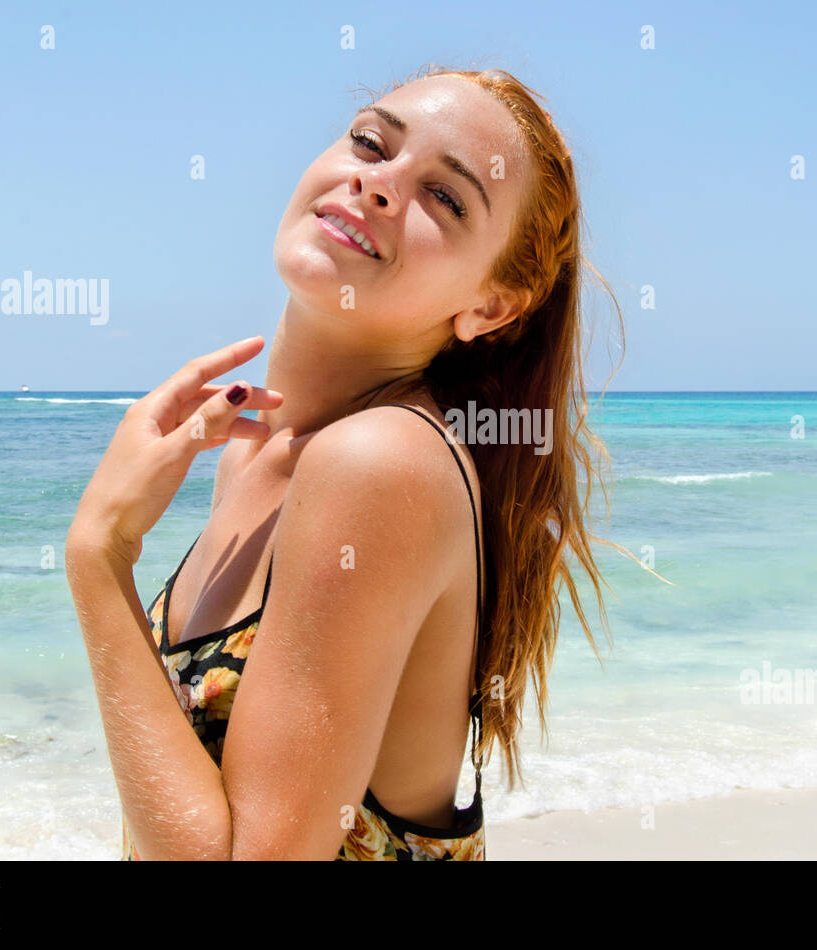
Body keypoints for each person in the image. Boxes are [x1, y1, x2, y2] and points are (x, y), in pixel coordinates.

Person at [66, 66, 623, 860]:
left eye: (447, 197)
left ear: (491, 305)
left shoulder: (381, 462)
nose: (380, 184)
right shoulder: (254, 450)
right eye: (370, 141)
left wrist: (99, 554)